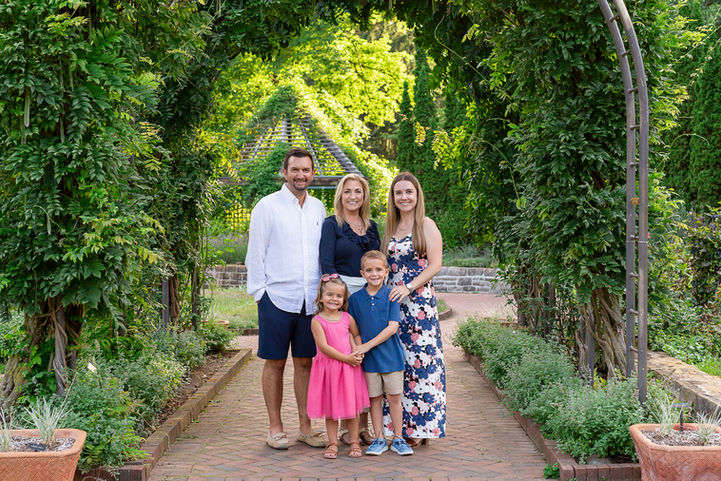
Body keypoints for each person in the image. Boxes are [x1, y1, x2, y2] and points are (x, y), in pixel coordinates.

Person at [245, 148, 327, 450]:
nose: (300, 175)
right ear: (285, 172)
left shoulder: (319, 208)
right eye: (295, 170)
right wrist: (260, 294)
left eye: (306, 170)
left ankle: (306, 426)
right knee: (275, 363)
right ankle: (275, 427)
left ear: (312, 174)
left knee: (305, 362)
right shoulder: (267, 207)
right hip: (276, 298)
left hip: (309, 300)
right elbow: (255, 253)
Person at [382, 172, 446, 447]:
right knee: (399, 365)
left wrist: (409, 287)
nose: (404, 197)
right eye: (399, 193)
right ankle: (399, 427)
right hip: (393, 306)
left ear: (417, 195)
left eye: (409, 192)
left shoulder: (426, 225)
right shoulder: (390, 228)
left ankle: (421, 429)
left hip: (419, 308)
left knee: (423, 365)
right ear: (393, 198)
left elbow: (435, 265)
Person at [319, 173, 379, 445]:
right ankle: (344, 428)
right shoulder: (332, 225)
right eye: (348, 191)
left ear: (365, 196)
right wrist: (339, 300)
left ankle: (361, 426)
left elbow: (377, 263)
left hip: (368, 296)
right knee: (344, 360)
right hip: (343, 294)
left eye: (358, 191)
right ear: (340, 195)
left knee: (364, 357)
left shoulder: (373, 227)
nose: (353, 196)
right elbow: (327, 263)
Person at [349, 250, 414, 456]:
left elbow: (392, 327)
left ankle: (398, 438)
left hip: (392, 357)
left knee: (394, 398)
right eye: (369, 270)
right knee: (374, 399)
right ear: (362, 273)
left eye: (378, 269)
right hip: (369, 362)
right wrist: (356, 349)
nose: (374, 274)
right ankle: (378, 438)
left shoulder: (391, 295)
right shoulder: (355, 299)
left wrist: (366, 346)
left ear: (386, 271)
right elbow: (351, 328)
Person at [307, 274, 370, 459]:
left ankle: (354, 441)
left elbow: (356, 335)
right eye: (330, 295)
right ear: (321, 297)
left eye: (339, 296)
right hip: (329, 370)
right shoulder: (317, 321)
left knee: (351, 409)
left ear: (344, 299)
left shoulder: (347, 318)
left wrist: (358, 352)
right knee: (331, 410)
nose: (334, 299)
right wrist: (346, 358)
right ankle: (332, 442)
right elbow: (324, 347)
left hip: (349, 370)